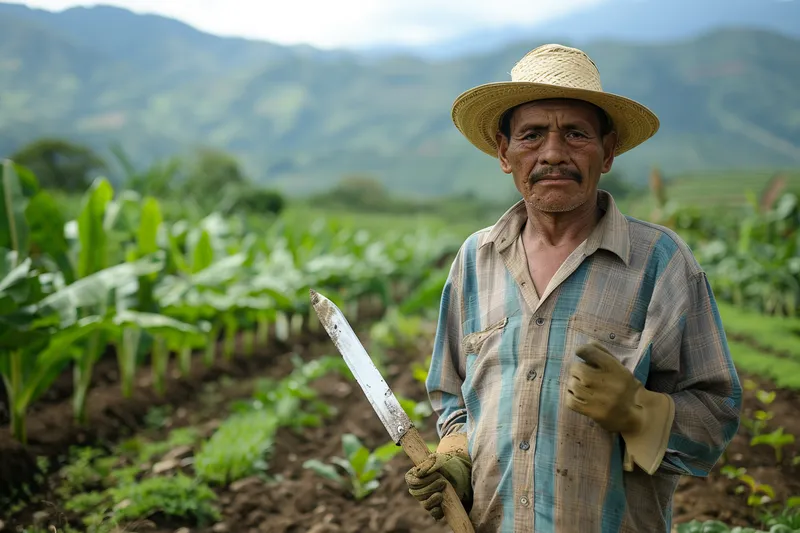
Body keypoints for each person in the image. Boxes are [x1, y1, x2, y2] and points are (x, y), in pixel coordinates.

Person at [404, 43, 742, 533]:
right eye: (532, 135)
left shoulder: (660, 263)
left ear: (607, 152)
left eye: (576, 134)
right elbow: (453, 398)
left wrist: (640, 412)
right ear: (505, 152)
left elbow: (717, 413)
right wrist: (456, 458)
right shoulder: (475, 261)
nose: (553, 153)